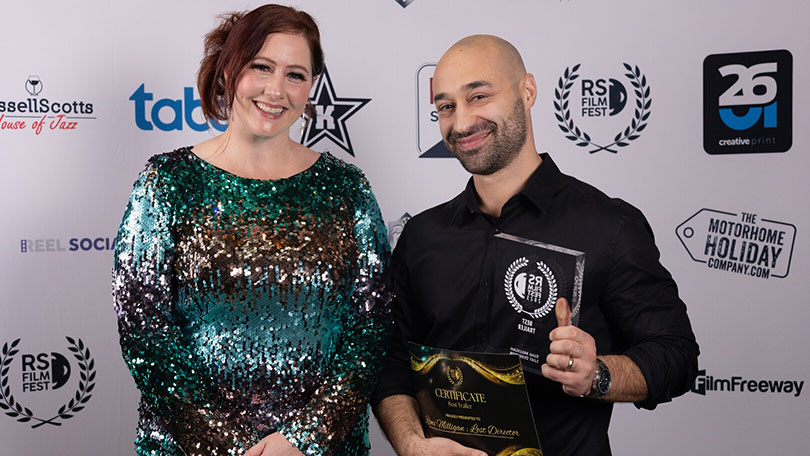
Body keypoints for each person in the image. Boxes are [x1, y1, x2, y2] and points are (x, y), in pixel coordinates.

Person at [372, 35, 699, 456]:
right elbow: (392, 363)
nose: (462, 122)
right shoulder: (421, 237)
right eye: (446, 106)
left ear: (527, 91)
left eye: (479, 95)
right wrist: (411, 444)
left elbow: (675, 355)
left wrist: (596, 375)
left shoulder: (609, 226)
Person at [112, 5, 392, 456]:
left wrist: (307, 438)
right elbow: (145, 331)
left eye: (295, 75)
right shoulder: (165, 182)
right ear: (229, 69)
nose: (275, 90)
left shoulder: (347, 188)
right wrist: (226, 446)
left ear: (311, 87)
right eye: (261, 67)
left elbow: (373, 326)